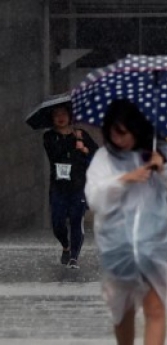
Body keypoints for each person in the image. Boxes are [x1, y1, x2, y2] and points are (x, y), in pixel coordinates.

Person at [85, 99, 167, 345]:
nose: (117, 139)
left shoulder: (166, 153)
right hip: (118, 246)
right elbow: (94, 197)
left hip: (155, 245)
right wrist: (124, 179)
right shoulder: (105, 157)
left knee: (155, 308)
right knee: (122, 311)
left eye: (123, 132)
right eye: (113, 131)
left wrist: (165, 170)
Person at [43, 103, 98, 269]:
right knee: (58, 223)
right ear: (52, 118)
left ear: (70, 116)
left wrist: (85, 148)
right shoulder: (49, 136)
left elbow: (95, 154)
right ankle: (65, 245)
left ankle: (74, 257)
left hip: (78, 185)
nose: (61, 118)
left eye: (64, 114)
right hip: (59, 186)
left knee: (76, 220)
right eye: (57, 115)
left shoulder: (82, 135)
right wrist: (75, 143)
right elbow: (55, 153)